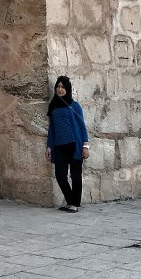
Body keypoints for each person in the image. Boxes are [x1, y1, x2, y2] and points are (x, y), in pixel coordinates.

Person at [46, 76, 89, 212]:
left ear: (67, 89)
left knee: (75, 175)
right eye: (58, 87)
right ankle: (70, 200)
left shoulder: (74, 106)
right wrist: (49, 146)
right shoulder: (53, 107)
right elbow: (52, 129)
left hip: (74, 144)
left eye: (62, 87)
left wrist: (85, 146)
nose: (60, 89)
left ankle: (75, 204)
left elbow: (82, 127)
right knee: (60, 175)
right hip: (59, 146)